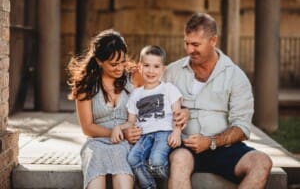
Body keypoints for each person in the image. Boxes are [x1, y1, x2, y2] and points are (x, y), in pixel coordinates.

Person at [162, 13, 273, 188]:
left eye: (196, 44)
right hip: (183, 147)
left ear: (213, 41)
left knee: (262, 162)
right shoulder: (172, 72)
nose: (189, 50)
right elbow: (155, 107)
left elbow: (242, 126)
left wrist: (211, 142)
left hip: (222, 148)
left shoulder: (236, 76)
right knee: (180, 160)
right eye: (187, 43)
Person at [67, 29, 141, 189]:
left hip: (125, 142)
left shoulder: (133, 77)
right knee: (96, 156)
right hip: (97, 141)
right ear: (100, 61)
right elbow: (87, 128)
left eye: (122, 61)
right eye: (113, 64)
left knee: (120, 154)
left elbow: (161, 80)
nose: (120, 68)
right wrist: (113, 132)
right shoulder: (85, 86)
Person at [111, 45, 183, 189]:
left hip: (164, 133)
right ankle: (149, 185)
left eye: (156, 66)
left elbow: (178, 115)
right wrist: (118, 127)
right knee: (132, 159)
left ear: (163, 69)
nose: (151, 71)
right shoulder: (136, 94)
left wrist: (177, 132)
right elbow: (131, 121)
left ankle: (165, 179)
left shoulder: (169, 89)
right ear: (140, 67)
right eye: (147, 65)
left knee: (156, 161)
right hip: (144, 135)